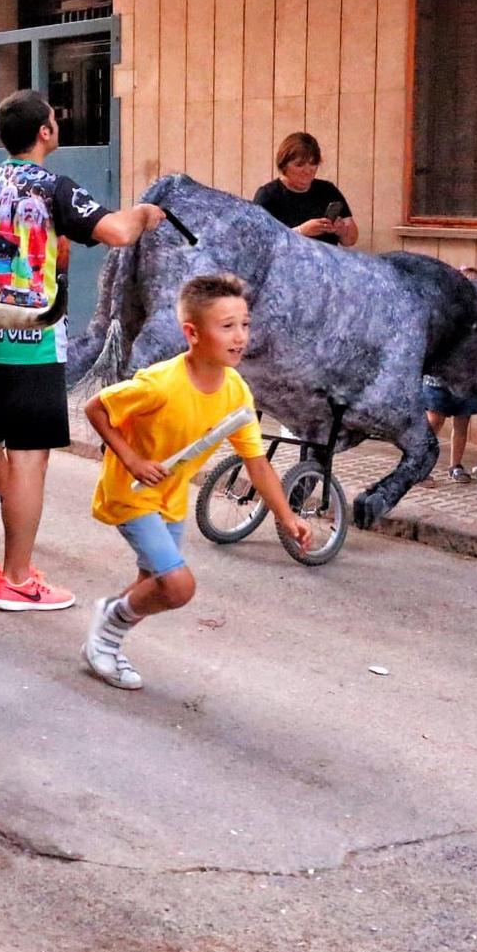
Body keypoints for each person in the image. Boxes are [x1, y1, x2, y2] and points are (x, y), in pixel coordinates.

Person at [0, 88, 166, 613]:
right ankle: (17, 579)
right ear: (45, 132)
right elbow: (116, 233)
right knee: (27, 461)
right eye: (54, 120)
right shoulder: (53, 187)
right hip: (33, 346)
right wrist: (143, 214)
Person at [82, 274, 311, 689]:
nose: (240, 336)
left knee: (150, 583)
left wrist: (286, 517)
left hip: (170, 499)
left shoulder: (237, 392)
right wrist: (131, 459)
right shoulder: (160, 384)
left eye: (245, 324)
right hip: (131, 496)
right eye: (227, 326)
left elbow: (257, 464)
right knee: (178, 587)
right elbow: (96, 408)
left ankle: (108, 632)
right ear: (192, 333)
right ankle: (107, 631)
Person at [424, 266, 477, 482]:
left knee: (462, 424)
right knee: (434, 422)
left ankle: (455, 466)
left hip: (469, 382)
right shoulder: (443, 315)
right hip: (439, 380)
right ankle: (419, 467)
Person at [253, 132, 359, 246]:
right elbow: (257, 241)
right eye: (299, 165)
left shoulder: (328, 190)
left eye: (313, 164)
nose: (307, 171)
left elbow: (350, 240)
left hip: (326, 261)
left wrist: (341, 231)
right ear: (284, 165)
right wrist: (301, 231)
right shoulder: (268, 195)